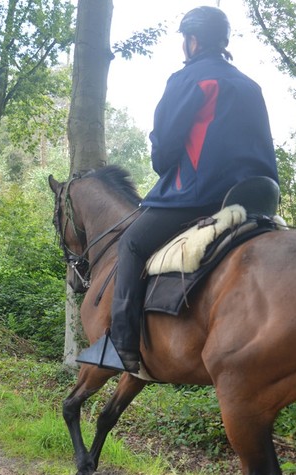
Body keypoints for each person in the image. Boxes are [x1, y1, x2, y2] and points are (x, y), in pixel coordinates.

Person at [77, 5, 279, 373]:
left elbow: (165, 154)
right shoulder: (251, 85)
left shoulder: (187, 81)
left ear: (193, 40)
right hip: (255, 199)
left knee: (132, 243)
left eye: (185, 40)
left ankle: (122, 347)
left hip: (198, 196)